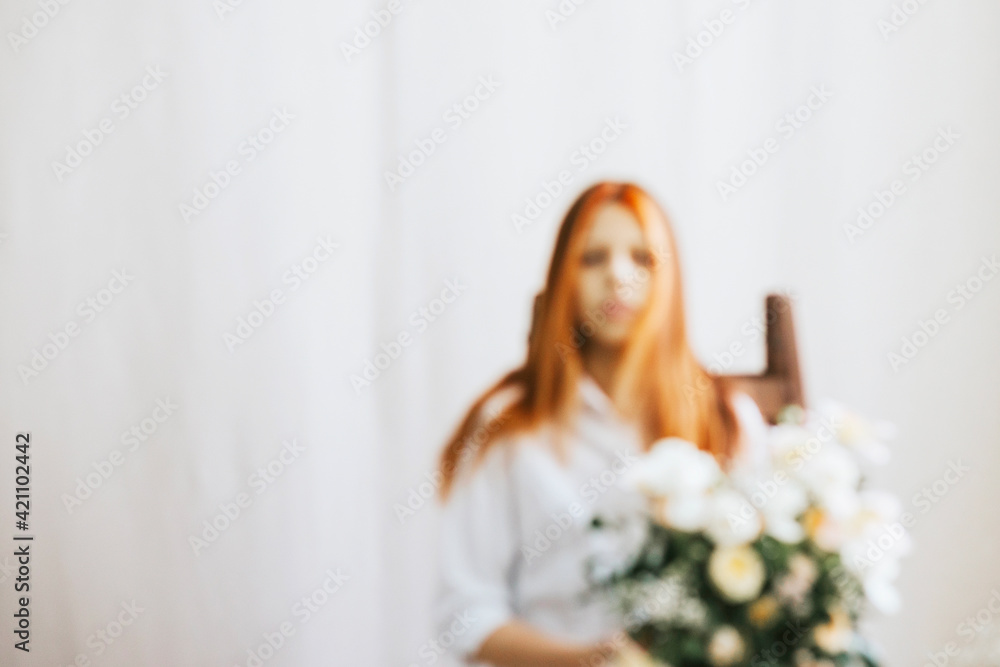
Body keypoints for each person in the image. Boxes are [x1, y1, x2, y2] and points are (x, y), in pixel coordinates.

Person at [433, 181, 771, 667]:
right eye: (592, 258)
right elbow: (465, 611)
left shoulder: (726, 418)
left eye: (642, 258)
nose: (617, 276)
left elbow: (766, 593)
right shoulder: (510, 424)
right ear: (561, 277)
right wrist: (589, 661)